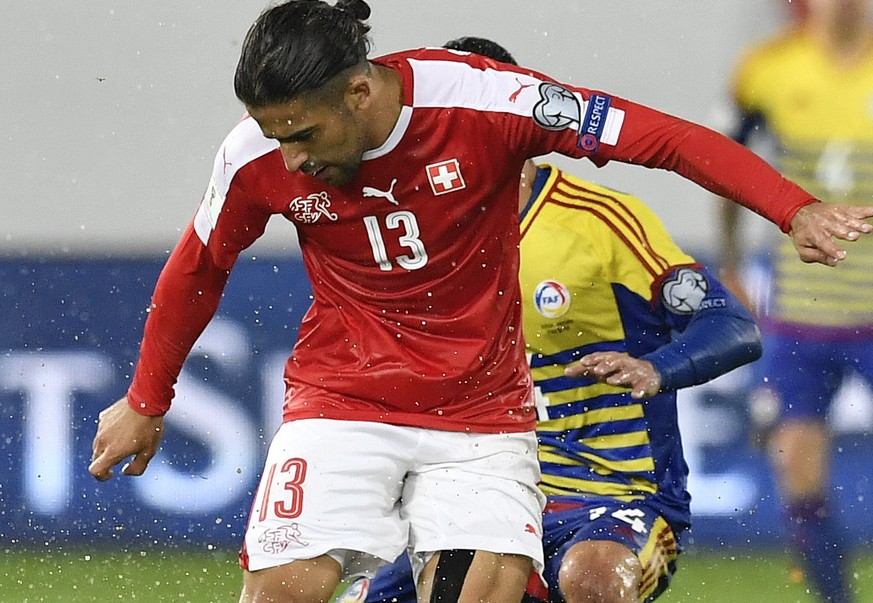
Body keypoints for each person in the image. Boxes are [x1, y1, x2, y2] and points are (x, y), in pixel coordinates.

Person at [87, 2, 873, 602]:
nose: (287, 157)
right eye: (272, 133)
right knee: (282, 591)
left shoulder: (489, 104)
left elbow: (660, 137)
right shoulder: (257, 147)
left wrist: (790, 207)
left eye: (302, 134)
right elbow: (199, 264)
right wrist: (146, 397)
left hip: (481, 417)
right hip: (342, 400)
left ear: (360, 92)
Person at [334, 36, 762, 603]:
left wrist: (655, 368)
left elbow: (732, 325)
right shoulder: (413, 237)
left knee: (591, 581)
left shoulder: (601, 224)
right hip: (485, 497)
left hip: (620, 500)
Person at [719, 1, 873, 601]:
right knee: (797, 475)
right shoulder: (768, 68)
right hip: (802, 312)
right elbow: (724, 164)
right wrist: (731, 263)